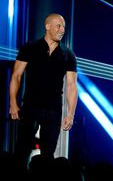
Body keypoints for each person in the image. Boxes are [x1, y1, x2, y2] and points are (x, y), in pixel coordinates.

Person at [9, 13, 78, 173]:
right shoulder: (30, 48)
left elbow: (71, 85)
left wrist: (71, 114)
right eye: (58, 26)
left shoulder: (68, 54)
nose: (62, 30)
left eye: (64, 27)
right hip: (30, 106)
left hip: (53, 109)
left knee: (48, 154)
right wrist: (13, 102)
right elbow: (16, 76)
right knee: (22, 149)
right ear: (47, 26)